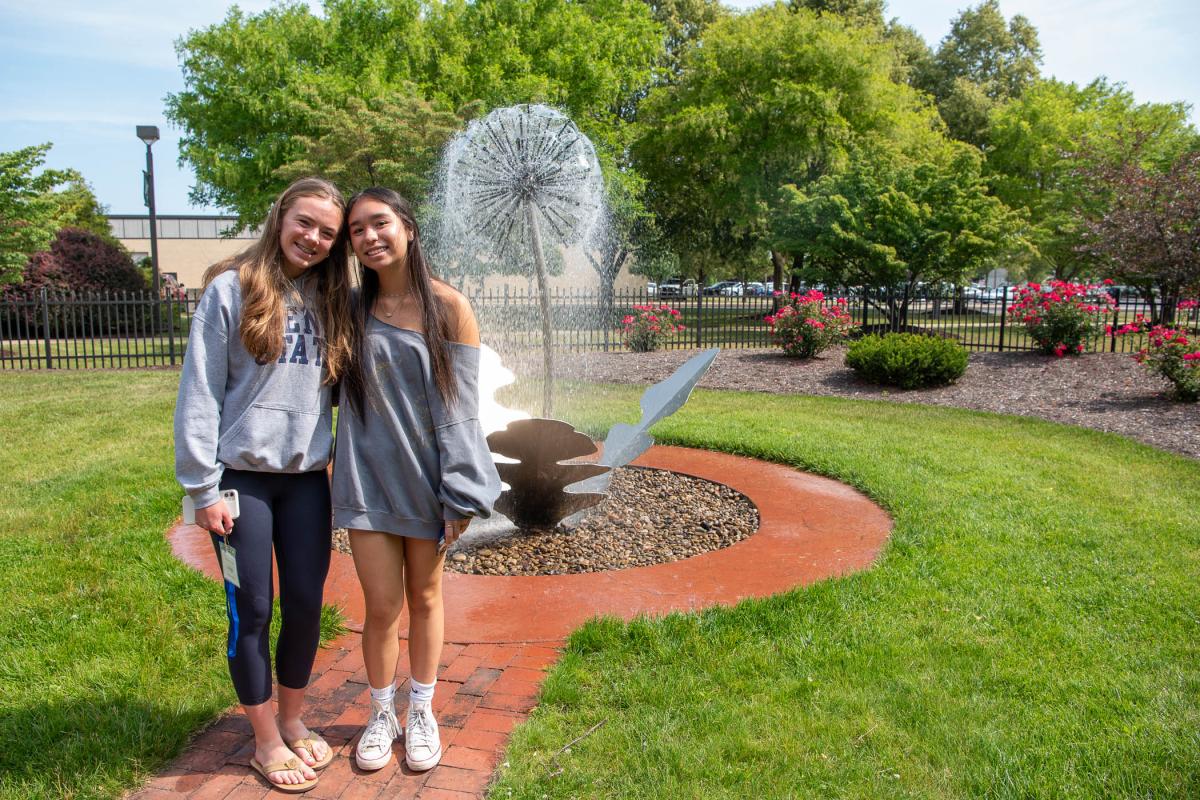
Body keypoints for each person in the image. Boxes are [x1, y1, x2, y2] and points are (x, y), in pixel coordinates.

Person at [174, 177, 356, 793]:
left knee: (306, 607)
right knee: (252, 608)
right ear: (281, 217)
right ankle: (264, 738)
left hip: (306, 481)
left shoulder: (336, 302)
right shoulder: (232, 290)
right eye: (304, 222)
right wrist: (201, 490)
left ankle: (293, 718)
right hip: (240, 481)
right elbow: (199, 391)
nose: (313, 238)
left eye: (327, 232)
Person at [333, 187, 500, 772]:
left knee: (425, 598)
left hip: (428, 482)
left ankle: (422, 709)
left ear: (407, 228)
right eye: (356, 230)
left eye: (379, 223)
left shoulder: (450, 307)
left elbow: (462, 411)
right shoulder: (348, 308)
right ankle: (382, 713)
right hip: (365, 481)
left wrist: (460, 490)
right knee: (381, 606)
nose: (369, 236)